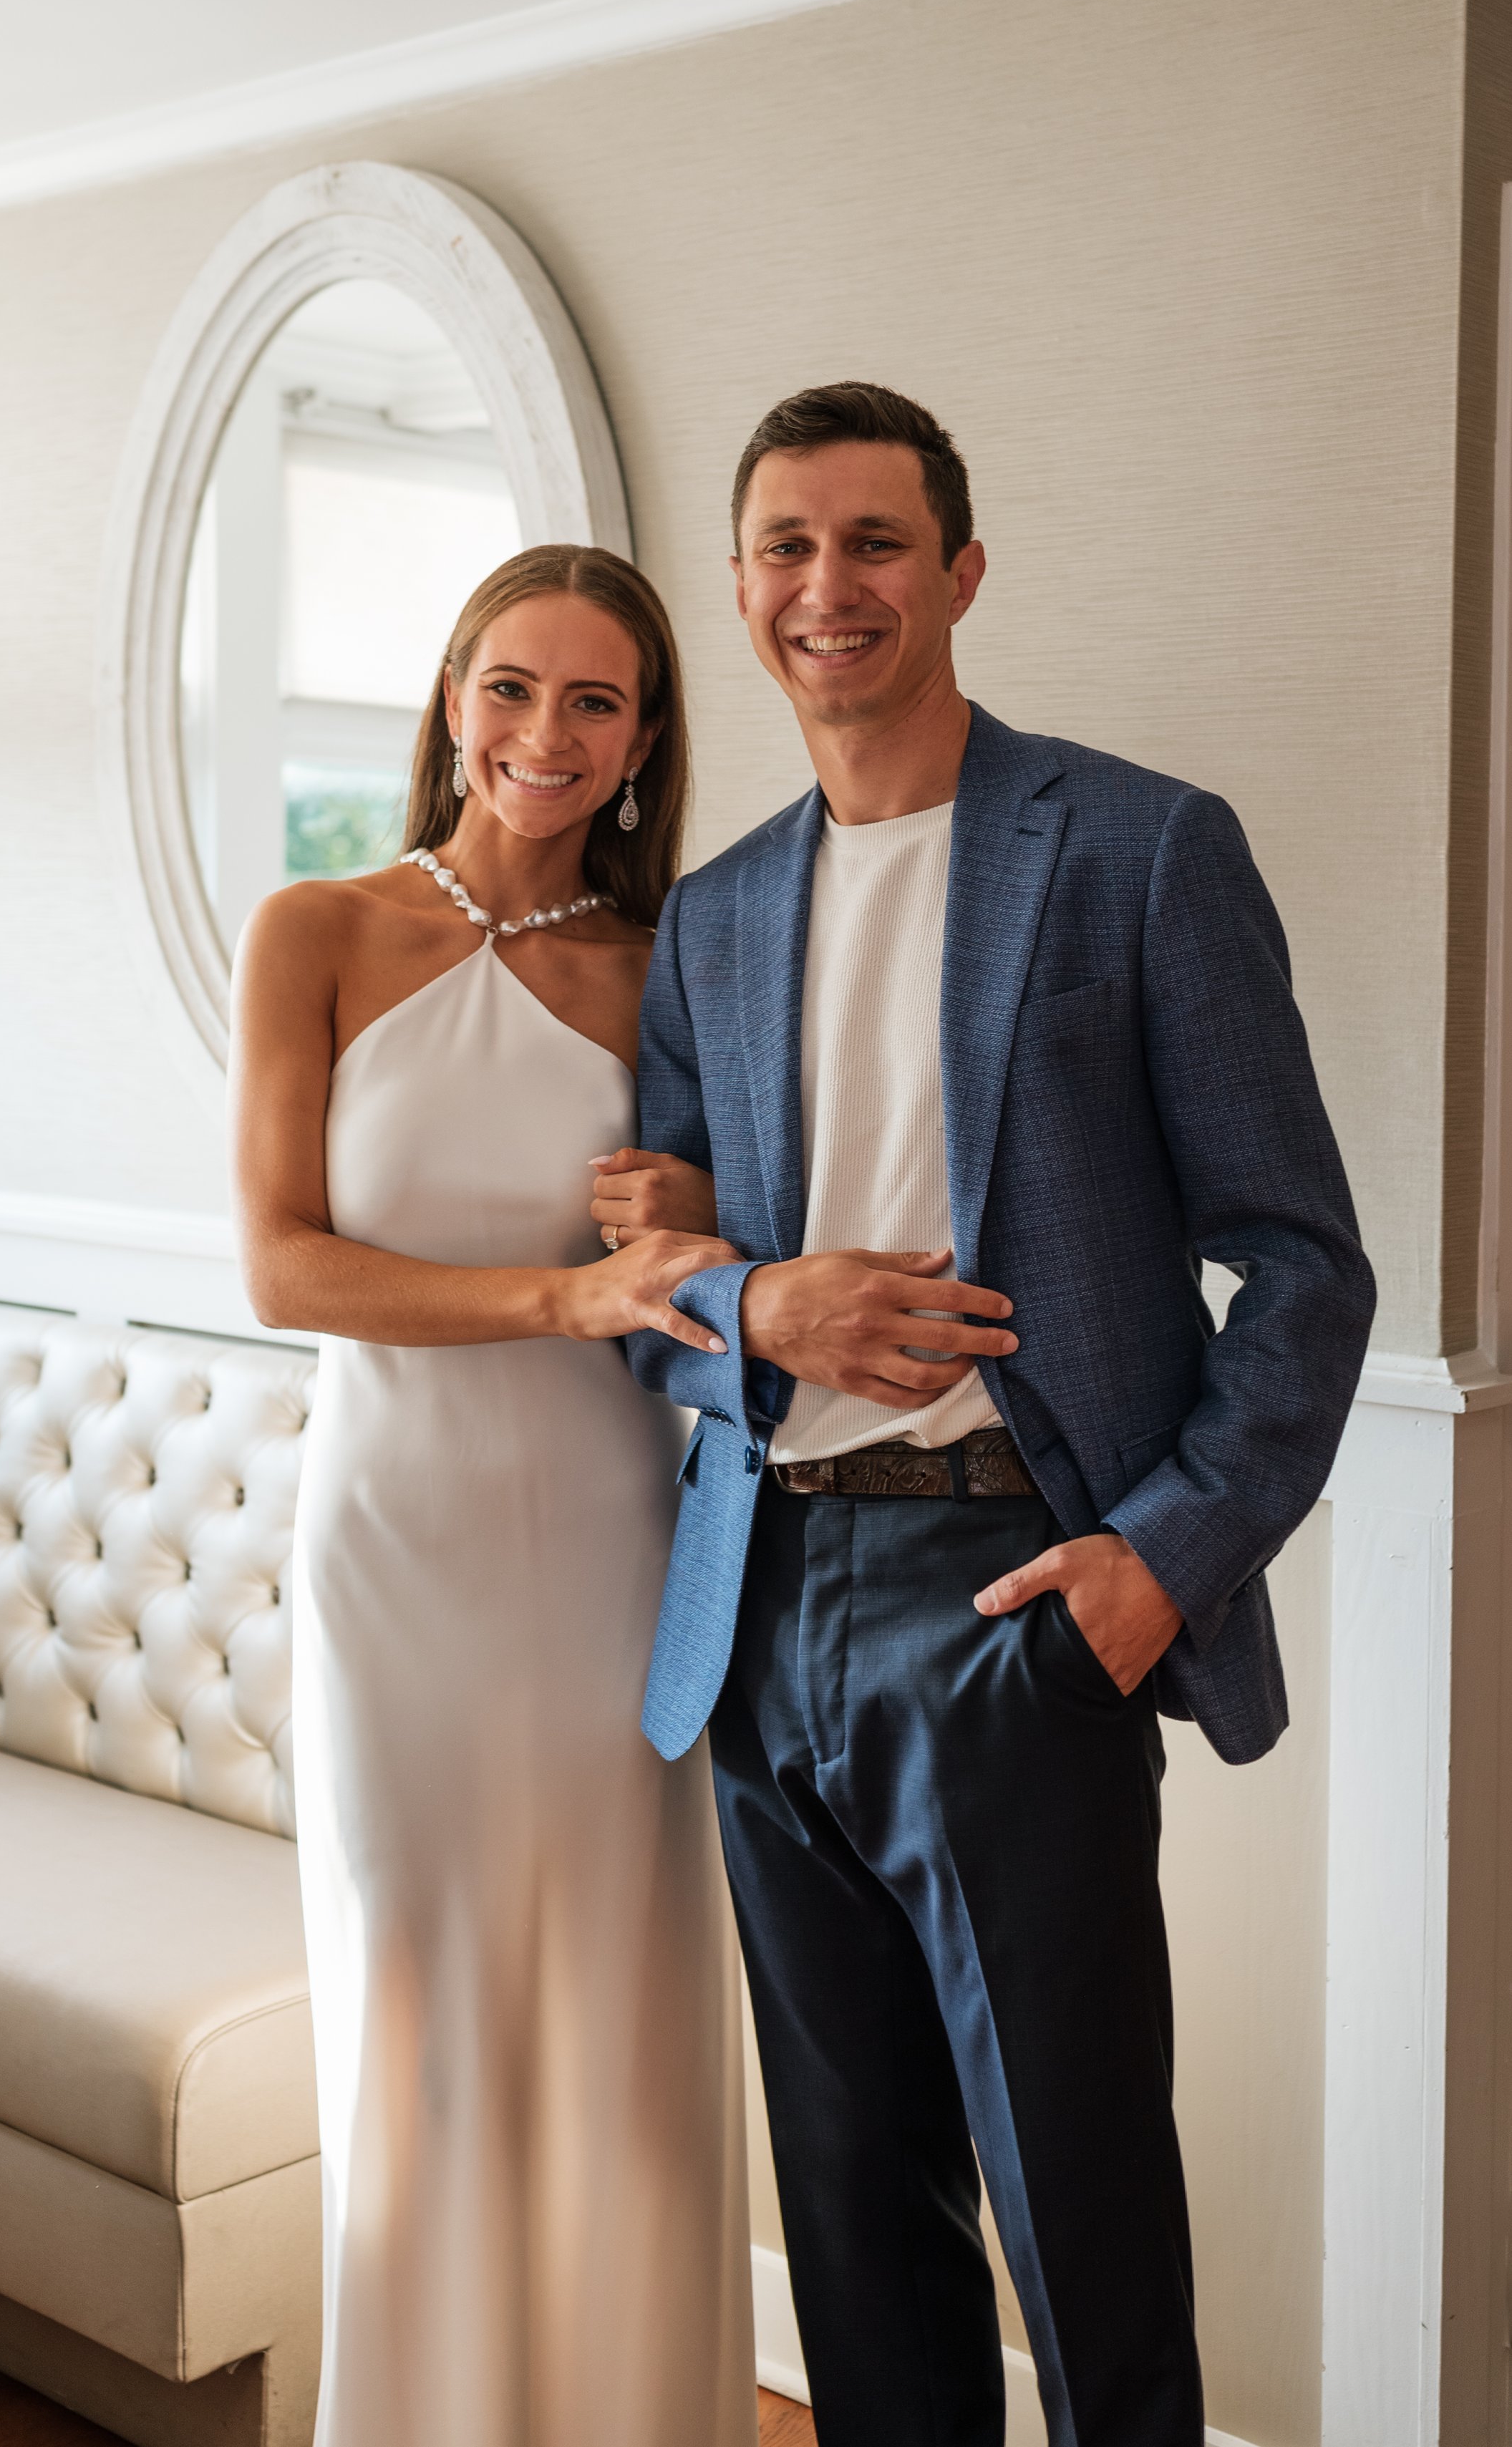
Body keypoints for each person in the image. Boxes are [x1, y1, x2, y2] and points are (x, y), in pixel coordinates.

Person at [606, 383, 1375, 2447]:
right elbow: (644, 1290)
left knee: (1079, 2208)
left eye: (872, 542)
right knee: (857, 2218)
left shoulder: (1138, 847)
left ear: (958, 570)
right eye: (784, 545)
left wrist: (1156, 1562)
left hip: (1011, 1590)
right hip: (761, 1601)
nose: (824, 586)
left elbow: (1304, 1264)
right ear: (742, 585)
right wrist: (747, 1303)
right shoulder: (717, 912)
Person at [229, 545, 757, 2447]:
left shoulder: (669, 964)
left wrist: (689, 1237)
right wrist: (556, 1288)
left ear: (640, 742)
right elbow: (283, 1268)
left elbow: (712, 1298)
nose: (546, 732)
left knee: (619, 2037)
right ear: (453, 697)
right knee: (423, 2024)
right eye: (512, 686)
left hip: (615, 1552)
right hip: (397, 1557)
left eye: (594, 700)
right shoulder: (318, 929)